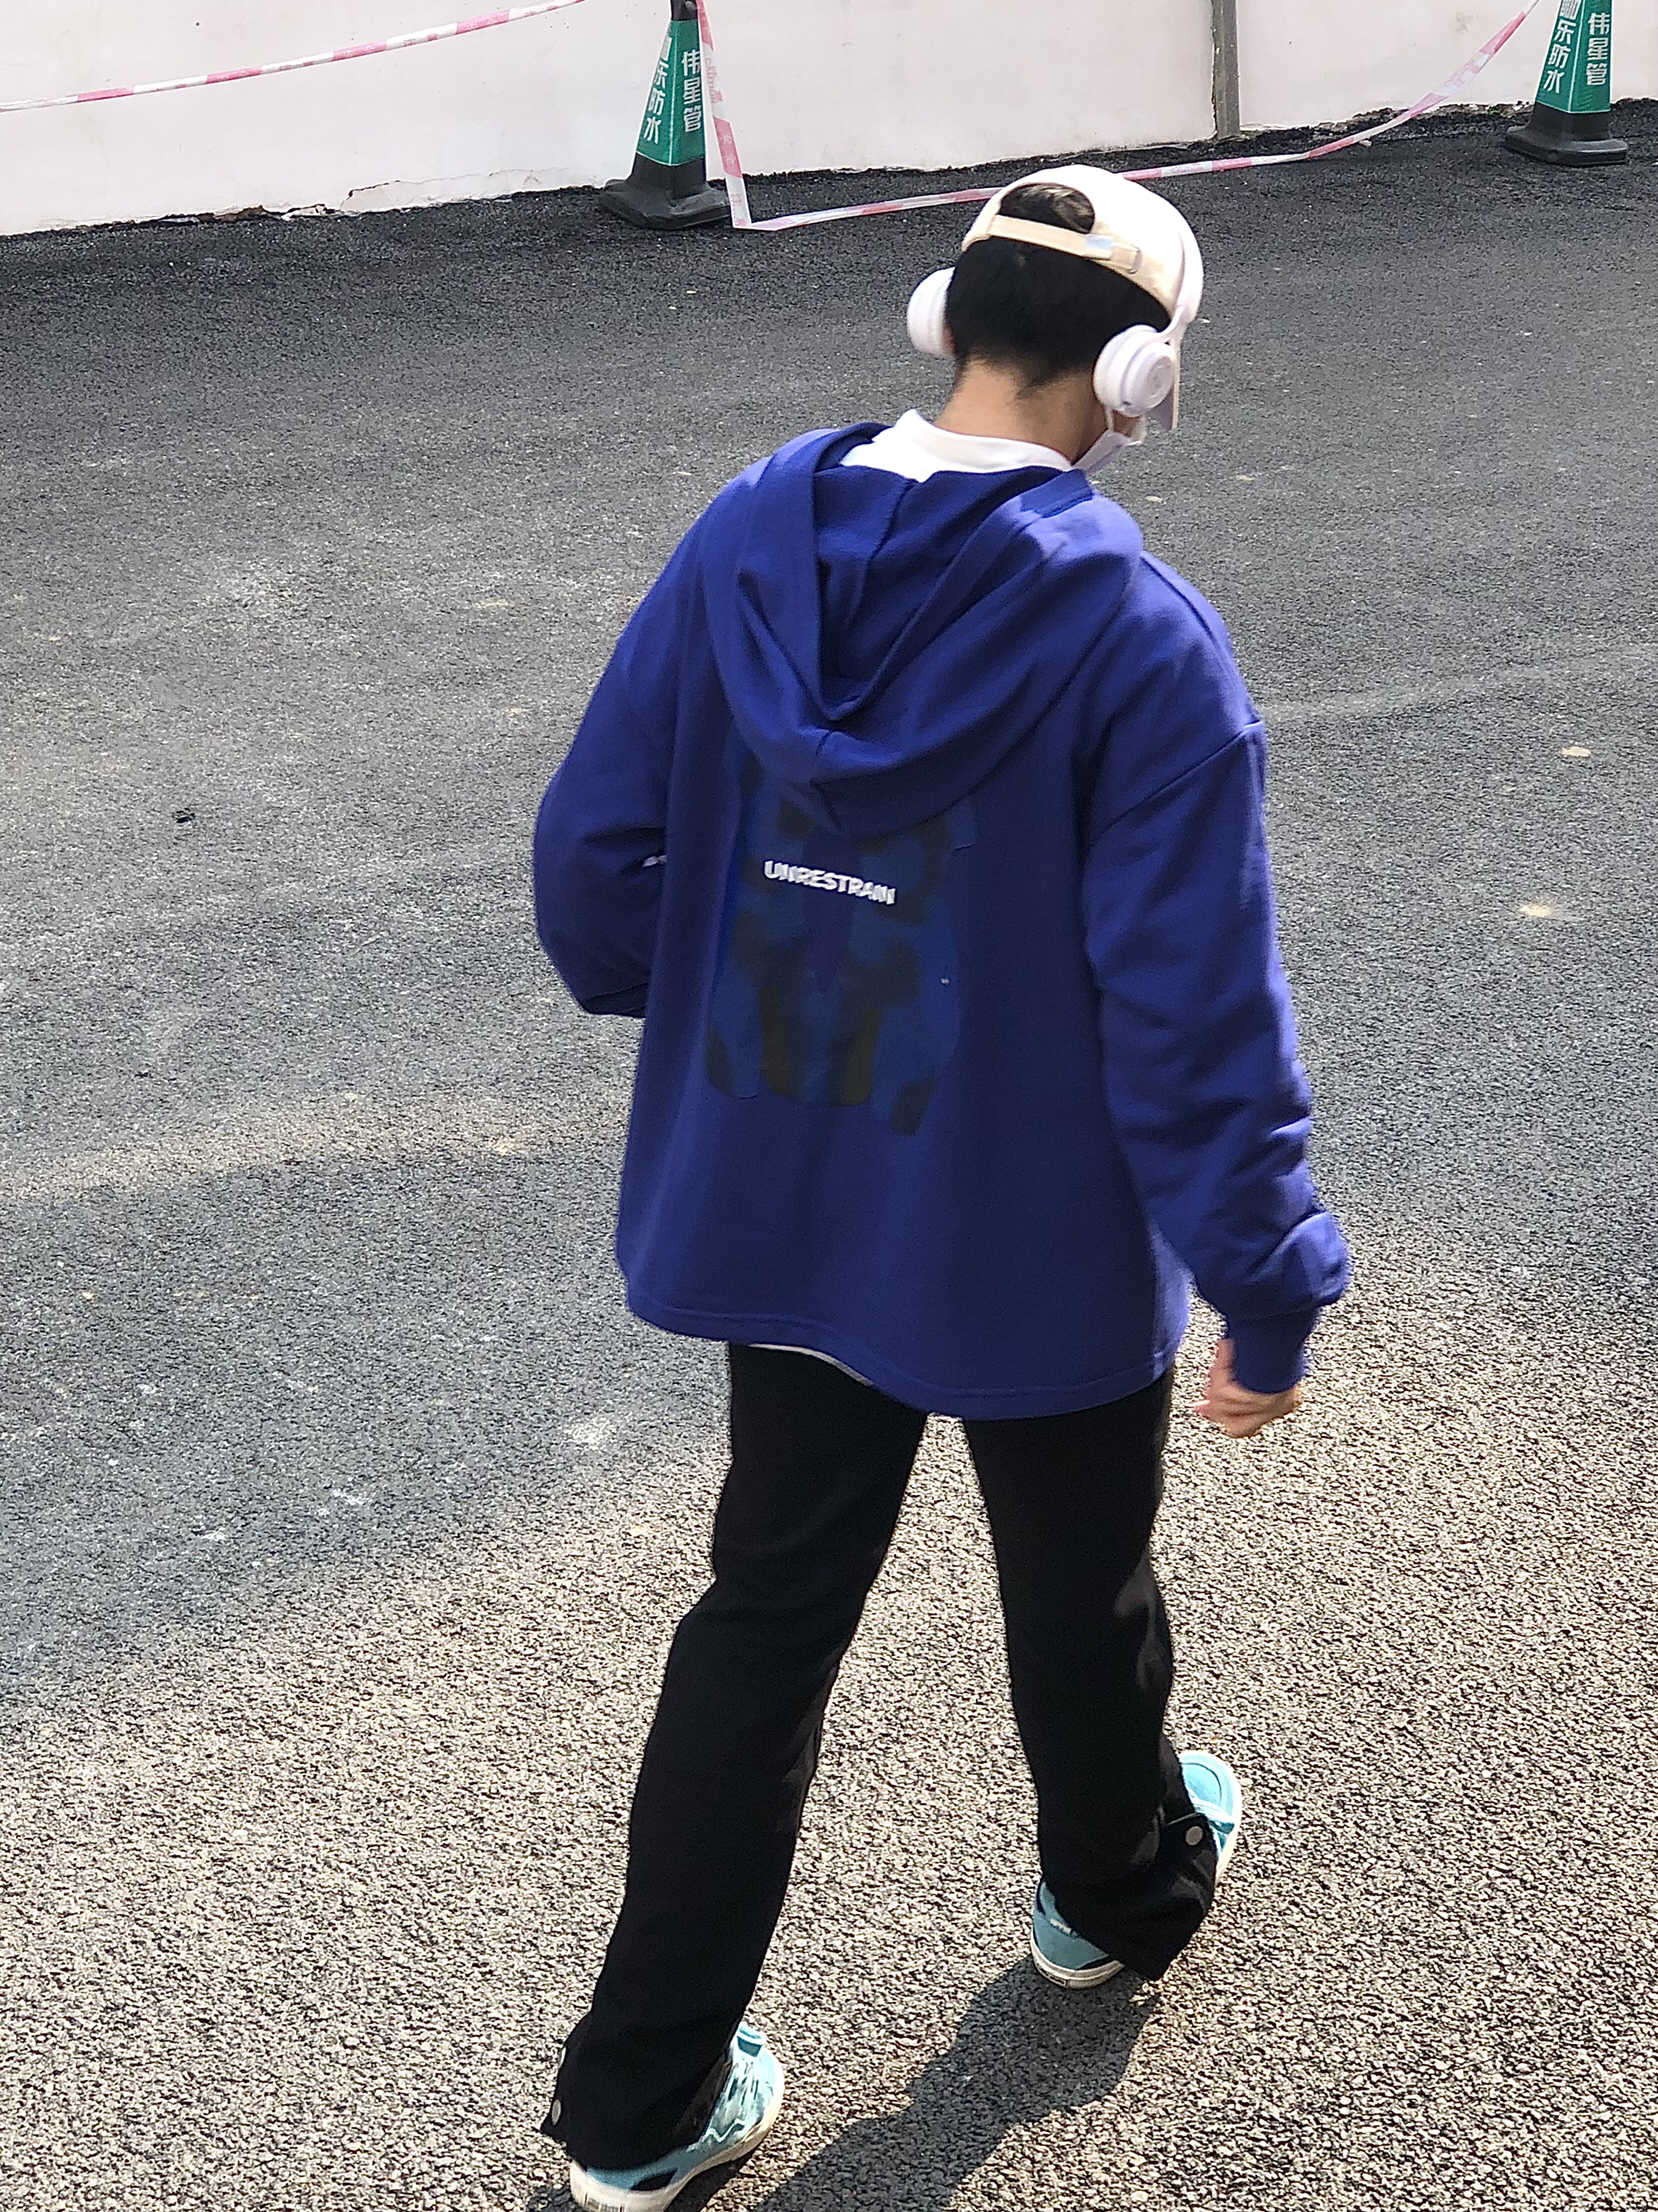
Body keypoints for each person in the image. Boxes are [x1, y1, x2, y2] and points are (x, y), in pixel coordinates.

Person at [531, 165, 1350, 2212]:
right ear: (1138, 376)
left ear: (943, 316)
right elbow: (1190, 1018)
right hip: (1021, 1230)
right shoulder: (1139, 642)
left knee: (766, 1608)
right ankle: (1117, 1892)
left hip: (782, 1189)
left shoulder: (748, 530)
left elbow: (592, 865)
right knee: (1076, 1582)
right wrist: (1266, 1284)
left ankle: (638, 2104)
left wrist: (710, 995)